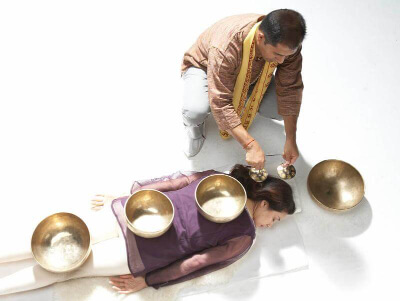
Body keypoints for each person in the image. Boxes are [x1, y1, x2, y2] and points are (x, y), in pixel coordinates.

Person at [0, 165, 295, 295]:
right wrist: (150, 279)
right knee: (65, 267)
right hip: (142, 251)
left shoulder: (218, 177)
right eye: (276, 219)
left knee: (52, 242)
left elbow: (172, 182)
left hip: (131, 212)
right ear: (265, 202)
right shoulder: (244, 237)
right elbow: (196, 264)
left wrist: (126, 197)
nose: (270, 227)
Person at [182, 10, 306, 170]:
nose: (282, 61)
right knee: (195, 111)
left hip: (253, 73)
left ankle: (241, 96)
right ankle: (194, 131)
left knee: (281, 110)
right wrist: (250, 144)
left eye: (286, 55)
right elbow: (220, 103)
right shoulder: (226, 47)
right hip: (206, 67)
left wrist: (290, 139)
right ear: (261, 37)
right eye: (277, 54)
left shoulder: (287, 45)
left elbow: (290, 89)